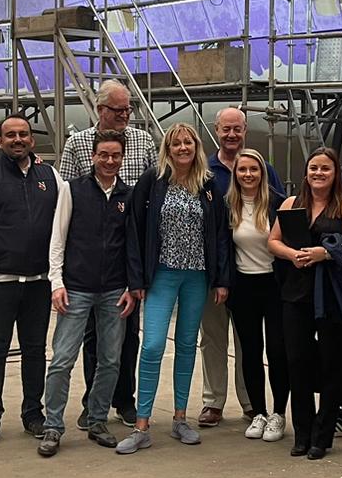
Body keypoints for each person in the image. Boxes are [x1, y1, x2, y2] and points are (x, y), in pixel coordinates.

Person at [120, 122, 232, 454]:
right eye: (176, 143)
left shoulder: (208, 185)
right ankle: (142, 425)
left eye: (188, 143)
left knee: (186, 345)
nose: (183, 148)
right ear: (167, 149)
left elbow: (220, 234)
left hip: (196, 276)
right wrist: (136, 279)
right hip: (162, 276)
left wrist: (221, 279)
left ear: (196, 147)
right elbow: (134, 229)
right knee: (153, 345)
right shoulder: (153, 182)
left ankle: (181, 418)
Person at [56, 80, 151, 429]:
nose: (125, 115)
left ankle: (125, 400)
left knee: (128, 336)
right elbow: (64, 196)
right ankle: (92, 402)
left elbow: (155, 187)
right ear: (100, 110)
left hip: (128, 254)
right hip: (88, 259)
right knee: (92, 338)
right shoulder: (78, 144)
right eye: (118, 110)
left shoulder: (143, 141)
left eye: (128, 109)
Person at [268, 147, 342, 460]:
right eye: (314, 168)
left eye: (325, 169)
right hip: (296, 293)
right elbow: (273, 241)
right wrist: (293, 255)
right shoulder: (291, 204)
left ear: (335, 174)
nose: (318, 173)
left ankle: (322, 435)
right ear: (306, 172)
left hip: (332, 296)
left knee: (332, 364)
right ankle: (302, 433)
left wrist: (326, 253)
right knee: (297, 362)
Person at [0, 113, 60, 445]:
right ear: (0, 142)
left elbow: (63, 222)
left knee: (35, 350)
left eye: (23, 134)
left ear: (32, 139)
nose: (18, 139)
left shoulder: (50, 176)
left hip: (39, 281)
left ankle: (33, 414)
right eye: (11, 135)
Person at [39, 131, 137, 456]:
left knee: (110, 360)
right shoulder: (73, 189)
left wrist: (130, 287)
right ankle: (53, 426)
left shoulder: (128, 195)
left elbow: (132, 246)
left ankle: (97, 421)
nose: (109, 161)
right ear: (93, 156)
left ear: (122, 158)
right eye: (103, 155)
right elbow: (58, 238)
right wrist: (57, 282)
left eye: (115, 156)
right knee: (62, 359)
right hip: (76, 289)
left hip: (114, 291)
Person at [198, 105, 283, 428]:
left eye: (237, 129)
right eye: (226, 129)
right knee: (213, 337)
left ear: (245, 130)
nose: (231, 134)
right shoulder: (205, 172)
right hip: (217, 272)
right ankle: (213, 402)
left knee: (248, 343)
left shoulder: (266, 169)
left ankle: (251, 404)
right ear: (216, 131)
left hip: (257, 276)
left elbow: (280, 215)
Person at [225, 148, 288, 442]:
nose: (248, 175)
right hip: (243, 286)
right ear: (235, 174)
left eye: (253, 169)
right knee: (250, 352)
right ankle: (258, 413)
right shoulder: (228, 205)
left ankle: (278, 413)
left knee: (277, 351)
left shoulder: (278, 203)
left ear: (263, 173)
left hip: (274, 286)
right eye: (242, 170)